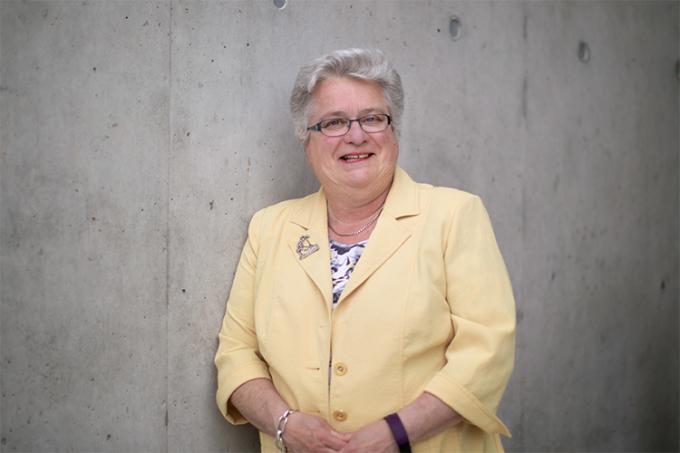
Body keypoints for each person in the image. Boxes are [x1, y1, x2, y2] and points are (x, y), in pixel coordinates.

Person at [215, 48, 515, 453]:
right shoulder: (270, 228)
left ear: (393, 132)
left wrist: (397, 432)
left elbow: (486, 352)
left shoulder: (454, 215)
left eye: (373, 118)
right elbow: (236, 353)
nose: (356, 135)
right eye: (334, 122)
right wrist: (285, 424)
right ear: (307, 142)